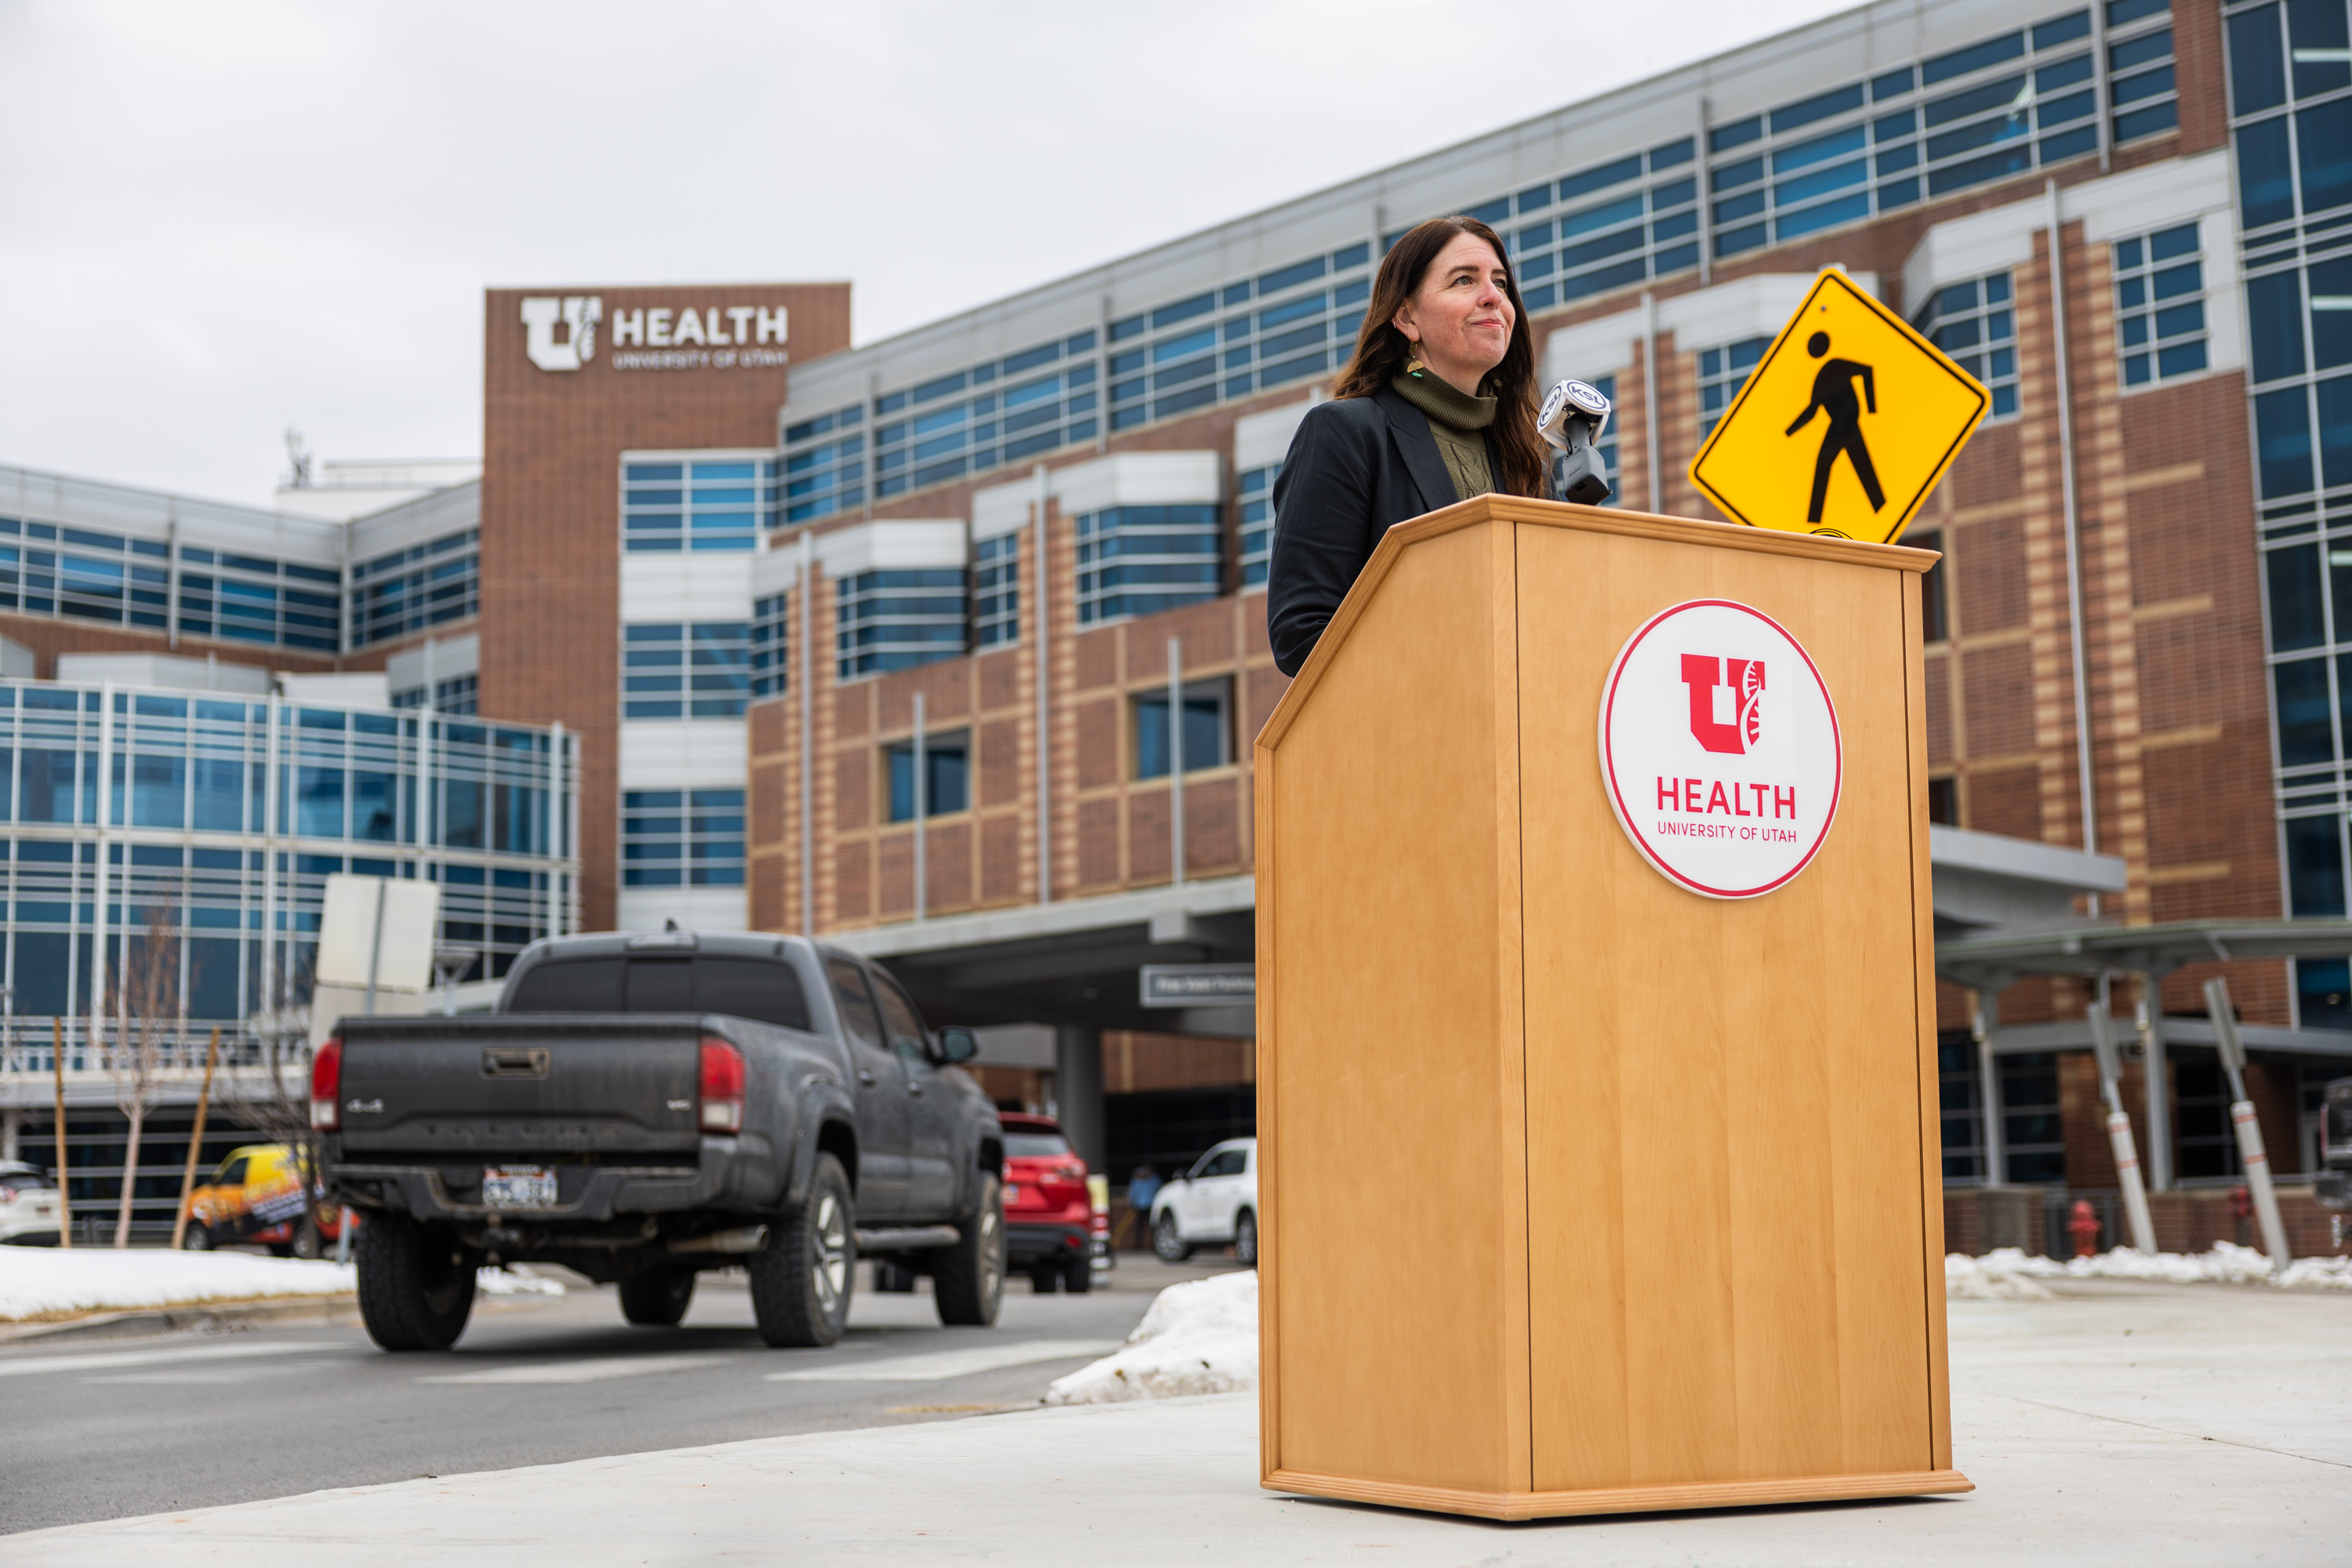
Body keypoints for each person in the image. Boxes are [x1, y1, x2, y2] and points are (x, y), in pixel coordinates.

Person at [1265, 216, 1553, 677]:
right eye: (1464, 280)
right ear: (1406, 318)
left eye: (1500, 282)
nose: (1493, 297)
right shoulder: (1346, 433)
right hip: (1410, 731)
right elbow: (1303, 632)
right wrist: (1442, 669)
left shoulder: (1527, 459)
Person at [1119, 1166, 1162, 1250]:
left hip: (1142, 1205)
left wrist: (1131, 1202)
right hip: (1148, 1205)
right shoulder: (1154, 1179)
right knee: (1149, 1226)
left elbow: (1132, 1192)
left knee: (1141, 1226)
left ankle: (1139, 1244)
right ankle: (1152, 1244)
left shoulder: (1137, 1180)